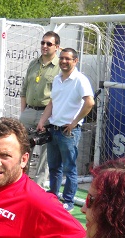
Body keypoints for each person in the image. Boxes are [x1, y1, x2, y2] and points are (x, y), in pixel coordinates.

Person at [37, 47, 94, 212]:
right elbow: (52, 102)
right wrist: (42, 120)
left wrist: (75, 122)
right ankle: (53, 196)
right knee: (54, 167)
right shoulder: (57, 79)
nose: (63, 61)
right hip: (53, 129)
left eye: (67, 59)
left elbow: (90, 102)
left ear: (75, 61)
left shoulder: (80, 80)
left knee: (69, 169)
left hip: (68, 132)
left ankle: (68, 201)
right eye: (62, 58)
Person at [20, 31, 60, 188]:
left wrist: (48, 116)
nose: (45, 46)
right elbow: (24, 90)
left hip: (48, 114)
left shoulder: (60, 67)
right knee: (23, 148)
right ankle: (21, 183)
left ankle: (38, 186)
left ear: (56, 47)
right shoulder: (33, 64)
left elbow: (59, 96)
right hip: (29, 112)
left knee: (45, 154)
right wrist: (24, 112)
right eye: (43, 42)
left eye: (49, 43)